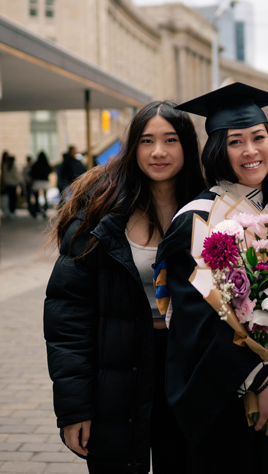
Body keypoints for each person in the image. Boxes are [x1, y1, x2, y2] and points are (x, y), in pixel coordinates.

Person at [156, 82, 268, 474]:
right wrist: (259, 381)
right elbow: (195, 322)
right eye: (236, 141)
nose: (251, 150)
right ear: (218, 149)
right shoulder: (197, 219)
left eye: (259, 137)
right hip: (232, 403)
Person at [43, 100, 206, 473]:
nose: (158, 152)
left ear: (187, 145)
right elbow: (67, 318)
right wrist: (74, 409)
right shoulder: (101, 213)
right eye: (147, 141)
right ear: (132, 148)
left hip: (185, 366)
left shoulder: (210, 208)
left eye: (170, 140)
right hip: (117, 365)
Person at [29, 151, 54, 218]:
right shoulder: (46, 164)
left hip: (37, 181)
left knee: (36, 197)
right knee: (45, 197)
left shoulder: (36, 164)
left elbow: (32, 172)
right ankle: (44, 210)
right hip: (44, 181)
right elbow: (50, 170)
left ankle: (37, 209)